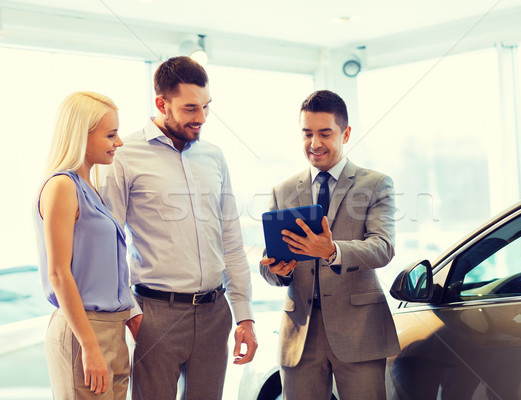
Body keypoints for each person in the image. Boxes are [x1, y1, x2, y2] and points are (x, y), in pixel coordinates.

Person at [98, 56, 257, 400]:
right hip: (155, 313)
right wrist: (133, 314)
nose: (201, 118)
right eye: (189, 109)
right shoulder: (124, 155)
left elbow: (231, 238)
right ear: (161, 104)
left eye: (206, 107)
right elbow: (110, 243)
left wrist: (244, 316)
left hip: (216, 314)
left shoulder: (214, 156)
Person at [260, 90, 400, 400]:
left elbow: (383, 247)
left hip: (359, 331)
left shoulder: (375, 184)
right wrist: (277, 270)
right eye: (307, 133)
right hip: (300, 334)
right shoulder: (282, 190)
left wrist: (332, 251)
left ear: (345, 133)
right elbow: (270, 263)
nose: (314, 143)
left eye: (325, 133)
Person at [35, 91, 134, 399]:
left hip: (112, 330)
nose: (119, 143)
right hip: (84, 331)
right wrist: (90, 347)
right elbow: (59, 274)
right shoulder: (62, 186)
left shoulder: (91, 187)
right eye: (111, 135)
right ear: (81, 136)